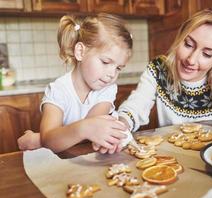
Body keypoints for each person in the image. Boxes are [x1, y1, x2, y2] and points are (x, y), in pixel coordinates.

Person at [18, 13, 133, 153]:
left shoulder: (107, 88)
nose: (112, 74)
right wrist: (47, 139)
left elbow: (91, 130)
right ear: (80, 52)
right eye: (105, 62)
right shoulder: (58, 90)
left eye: (118, 68)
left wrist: (39, 139)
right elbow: (50, 140)